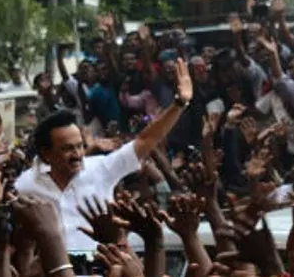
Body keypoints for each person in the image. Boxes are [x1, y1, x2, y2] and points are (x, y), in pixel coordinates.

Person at [14, 61, 193, 255]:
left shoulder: (100, 169)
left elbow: (145, 140)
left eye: (80, 146)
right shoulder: (26, 185)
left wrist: (179, 103)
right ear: (46, 153)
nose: (77, 154)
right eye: (67, 149)